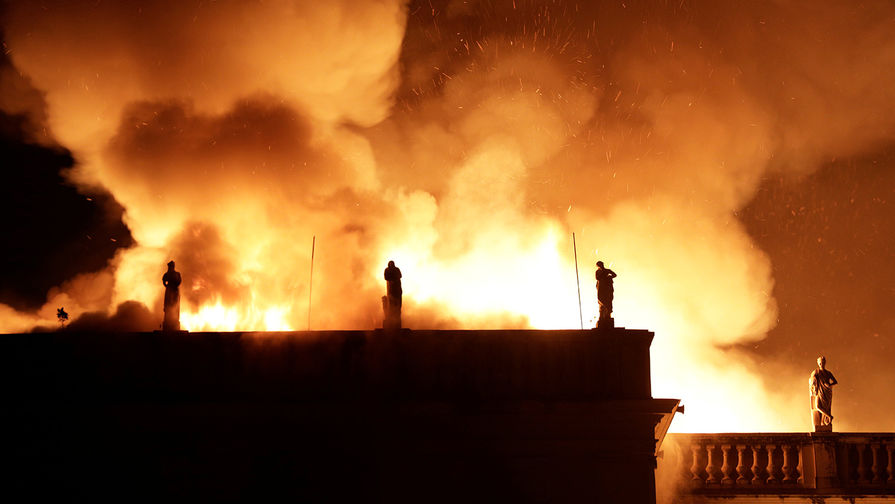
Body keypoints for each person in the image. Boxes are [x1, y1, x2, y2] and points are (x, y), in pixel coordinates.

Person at [809, 356, 838, 429]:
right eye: (820, 363)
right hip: (819, 391)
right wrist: (813, 382)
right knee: (818, 406)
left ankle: (825, 422)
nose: (821, 364)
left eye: (823, 363)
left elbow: (835, 382)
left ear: (825, 363)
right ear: (818, 363)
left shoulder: (828, 373)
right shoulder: (816, 372)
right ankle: (829, 416)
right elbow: (812, 379)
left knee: (826, 407)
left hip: (827, 392)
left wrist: (829, 385)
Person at [595, 261, 617, 326]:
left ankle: (607, 315)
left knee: (608, 301)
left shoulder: (607, 270)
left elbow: (615, 275)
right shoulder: (598, 271)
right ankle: (602, 315)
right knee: (601, 300)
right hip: (601, 288)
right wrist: (604, 275)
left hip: (607, 288)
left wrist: (609, 277)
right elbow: (597, 278)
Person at [162, 261, 182, 331]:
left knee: (175, 305)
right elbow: (164, 281)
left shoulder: (177, 274)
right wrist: (168, 286)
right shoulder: (167, 274)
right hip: (170, 291)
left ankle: (174, 320)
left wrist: (172, 286)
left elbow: (179, 281)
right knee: (168, 305)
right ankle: (168, 320)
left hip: (175, 291)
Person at [383, 260, 402, 329]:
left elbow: (400, 275)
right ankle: (390, 318)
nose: (391, 265)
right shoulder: (387, 270)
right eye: (390, 264)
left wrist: (394, 279)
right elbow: (386, 277)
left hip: (397, 289)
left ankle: (397, 318)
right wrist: (391, 280)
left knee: (398, 305)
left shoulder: (397, 269)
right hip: (390, 289)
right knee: (390, 304)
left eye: (392, 264)